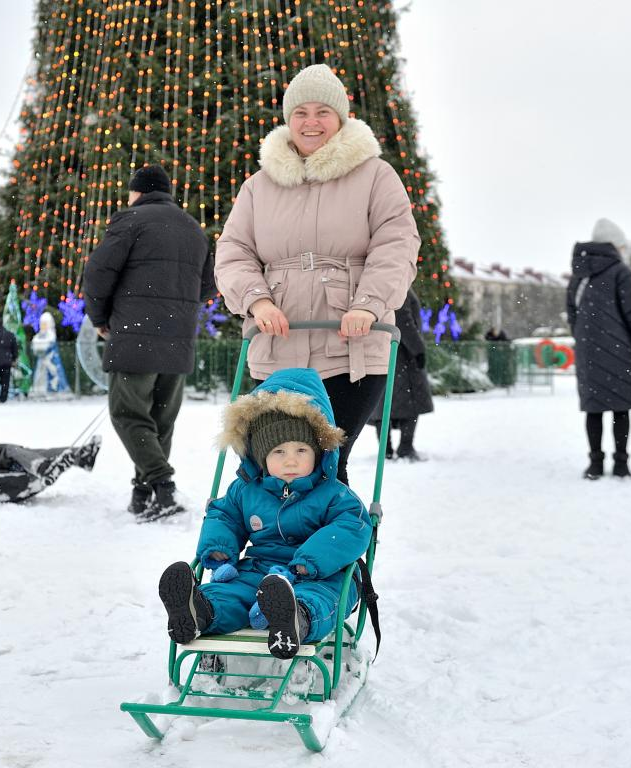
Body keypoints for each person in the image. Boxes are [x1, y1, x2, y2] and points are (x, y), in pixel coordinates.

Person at [215, 63, 420, 487]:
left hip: (352, 347)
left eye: (322, 112)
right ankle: (269, 545)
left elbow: (396, 246)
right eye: (301, 113)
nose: (311, 122)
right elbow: (233, 251)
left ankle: (328, 550)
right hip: (278, 345)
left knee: (326, 461)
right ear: (288, 120)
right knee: (273, 460)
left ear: (341, 118)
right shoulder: (258, 186)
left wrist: (368, 305)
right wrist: (257, 299)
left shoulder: (375, 176)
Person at [157, 368, 371, 659]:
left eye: (301, 450)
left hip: (320, 574)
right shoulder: (246, 490)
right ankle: (199, 612)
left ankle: (296, 619)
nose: (291, 460)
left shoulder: (334, 494)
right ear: (261, 457)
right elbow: (224, 516)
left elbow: (352, 527)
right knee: (231, 592)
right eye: (279, 452)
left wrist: (310, 561)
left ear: (319, 452)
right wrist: (220, 549)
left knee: (322, 597)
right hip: (260, 570)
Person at [83, 163, 214, 519]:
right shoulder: (193, 228)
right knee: (160, 420)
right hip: (178, 339)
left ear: (137, 191)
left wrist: (99, 319)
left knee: (127, 414)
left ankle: (162, 484)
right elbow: (207, 284)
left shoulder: (130, 220)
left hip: (133, 335)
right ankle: (144, 493)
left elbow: (97, 273)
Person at [566, 218, 631, 479]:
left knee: (593, 408)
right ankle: (621, 463)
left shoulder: (579, 273)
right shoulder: (620, 272)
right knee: (620, 408)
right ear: (615, 246)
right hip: (620, 350)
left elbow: (572, 313)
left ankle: (595, 463)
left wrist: (585, 339)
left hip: (589, 351)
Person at [368, 289, 433, 461]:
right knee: (411, 402)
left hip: (383, 352)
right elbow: (404, 323)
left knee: (383, 404)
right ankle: (405, 446)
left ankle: (386, 449)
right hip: (402, 355)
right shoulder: (399, 288)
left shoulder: (381, 287)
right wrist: (418, 350)